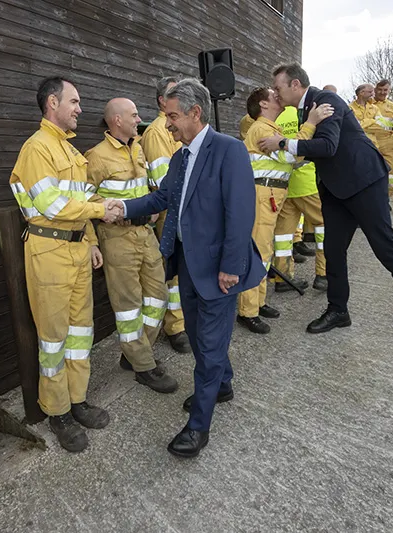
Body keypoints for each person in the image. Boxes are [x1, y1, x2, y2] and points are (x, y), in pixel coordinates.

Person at [109, 78, 266, 457]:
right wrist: (125, 208)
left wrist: (231, 266)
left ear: (196, 113)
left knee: (209, 348)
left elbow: (241, 212)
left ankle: (199, 427)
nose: (167, 125)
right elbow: (165, 197)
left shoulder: (228, 150)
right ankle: (222, 383)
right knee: (197, 338)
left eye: (173, 116)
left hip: (219, 271)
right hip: (190, 267)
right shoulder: (180, 158)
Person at [260, 64, 393, 354]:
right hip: (336, 189)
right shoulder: (303, 111)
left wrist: (281, 142)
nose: (276, 93)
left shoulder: (327, 101)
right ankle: (338, 310)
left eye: (278, 87)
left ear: (295, 84)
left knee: (388, 251)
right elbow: (314, 149)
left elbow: (328, 146)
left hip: (363, 183)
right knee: (333, 250)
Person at [10, 77, 119, 453]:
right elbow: (52, 205)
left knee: (79, 335)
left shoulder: (70, 151)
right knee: (54, 340)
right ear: (52, 103)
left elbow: (79, 201)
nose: (80, 109)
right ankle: (57, 413)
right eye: (74, 101)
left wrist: (89, 240)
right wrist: (101, 210)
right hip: (49, 253)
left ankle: (78, 400)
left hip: (74, 250)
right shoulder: (37, 148)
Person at [85, 98, 179, 393]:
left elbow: (149, 187)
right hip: (117, 239)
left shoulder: (138, 148)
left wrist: (152, 206)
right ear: (116, 120)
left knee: (157, 296)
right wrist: (92, 240)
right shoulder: (96, 157)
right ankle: (143, 365)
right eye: (134, 114)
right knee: (128, 307)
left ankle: (136, 353)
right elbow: (85, 202)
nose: (139, 119)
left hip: (145, 234)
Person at [236, 88, 332, 335]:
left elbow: (293, 155)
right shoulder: (261, 129)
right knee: (259, 252)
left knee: (264, 251)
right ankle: (248, 312)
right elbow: (290, 156)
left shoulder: (271, 129)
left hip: (270, 195)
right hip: (262, 196)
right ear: (263, 105)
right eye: (273, 95)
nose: (278, 97)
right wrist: (311, 124)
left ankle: (258, 302)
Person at [140, 76, 192, 354]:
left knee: (182, 273)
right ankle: (175, 327)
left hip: (182, 210)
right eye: (174, 93)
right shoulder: (157, 132)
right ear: (161, 100)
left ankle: (182, 321)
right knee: (172, 276)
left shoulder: (177, 126)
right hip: (168, 212)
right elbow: (164, 181)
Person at [271, 105, 328, 294]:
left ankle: (283, 276)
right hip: (307, 183)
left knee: (283, 234)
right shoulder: (309, 114)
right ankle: (323, 274)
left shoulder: (278, 116)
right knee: (323, 227)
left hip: (285, 183)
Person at [372, 79, 393, 199]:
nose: (382, 92)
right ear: (375, 89)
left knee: (392, 169)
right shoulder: (368, 104)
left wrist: (392, 139)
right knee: (372, 171)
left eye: (385, 90)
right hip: (371, 141)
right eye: (380, 89)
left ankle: (386, 198)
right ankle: (373, 199)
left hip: (388, 142)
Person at [349, 83, 384, 147]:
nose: (373, 94)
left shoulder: (375, 108)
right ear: (362, 93)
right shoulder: (349, 108)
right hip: (356, 146)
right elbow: (354, 127)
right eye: (370, 92)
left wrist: (363, 124)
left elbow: (381, 126)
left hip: (373, 146)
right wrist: (372, 121)